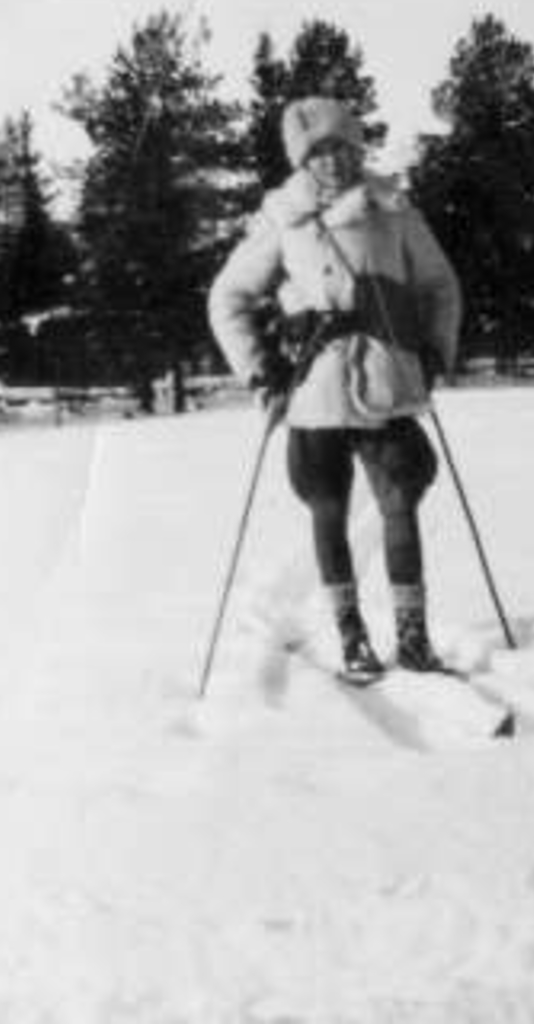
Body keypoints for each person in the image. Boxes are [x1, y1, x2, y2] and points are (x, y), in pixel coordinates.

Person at [208, 97, 463, 683]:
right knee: (327, 506)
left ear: (356, 147)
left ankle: (414, 637)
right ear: (302, 160)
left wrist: (434, 352)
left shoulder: (393, 208)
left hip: (387, 381)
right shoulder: (282, 218)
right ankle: (352, 637)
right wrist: (261, 371)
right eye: (317, 152)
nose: (332, 161)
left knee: (400, 500)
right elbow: (228, 298)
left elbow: (440, 286)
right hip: (314, 390)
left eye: (341, 147)